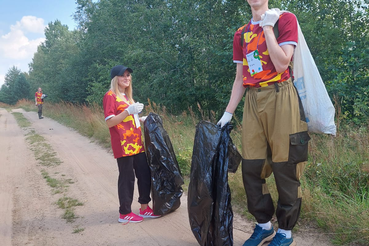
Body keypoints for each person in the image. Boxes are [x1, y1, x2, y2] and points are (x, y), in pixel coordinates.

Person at [217, 1, 310, 245]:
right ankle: (264, 225)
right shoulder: (241, 33)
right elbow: (240, 79)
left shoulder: (285, 20)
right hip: (252, 100)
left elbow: (282, 63)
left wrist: (268, 29)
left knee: (285, 164)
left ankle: (285, 231)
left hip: (281, 95)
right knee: (251, 165)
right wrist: (227, 114)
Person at [103, 65, 160, 223]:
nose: (126, 78)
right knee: (127, 178)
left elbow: (128, 119)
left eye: (128, 75)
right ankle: (125, 213)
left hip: (136, 143)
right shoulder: (110, 96)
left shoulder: (127, 96)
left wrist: (140, 119)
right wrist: (128, 111)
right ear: (116, 78)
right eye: (123, 75)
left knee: (144, 173)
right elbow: (110, 122)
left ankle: (144, 207)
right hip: (123, 144)